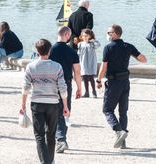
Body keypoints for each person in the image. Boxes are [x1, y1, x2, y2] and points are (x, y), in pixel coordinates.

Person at [96, 24, 147, 149]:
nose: (107, 35)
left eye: (109, 33)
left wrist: (98, 80)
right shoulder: (128, 46)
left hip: (113, 82)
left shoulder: (108, 48)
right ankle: (123, 142)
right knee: (123, 112)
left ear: (115, 34)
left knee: (107, 110)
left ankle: (119, 131)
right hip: (125, 82)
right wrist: (132, 55)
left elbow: (104, 66)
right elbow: (144, 60)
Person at [21, 39, 69, 164]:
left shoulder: (31, 66)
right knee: (51, 134)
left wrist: (23, 105)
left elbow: (25, 88)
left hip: (37, 103)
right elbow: (62, 88)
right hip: (53, 103)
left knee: (39, 135)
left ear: (36, 51)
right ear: (50, 50)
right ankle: (50, 161)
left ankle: (46, 162)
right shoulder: (57, 66)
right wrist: (65, 105)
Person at [48, 26, 82, 154]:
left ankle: (55, 139)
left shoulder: (50, 50)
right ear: (67, 35)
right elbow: (77, 72)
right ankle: (61, 139)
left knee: (50, 111)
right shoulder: (71, 51)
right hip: (66, 84)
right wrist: (79, 88)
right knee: (64, 111)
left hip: (50, 83)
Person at [78, 29, 100, 98]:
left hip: (90, 62)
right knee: (84, 77)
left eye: (86, 36)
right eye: (83, 36)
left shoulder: (92, 43)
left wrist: (93, 40)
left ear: (90, 36)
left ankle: (94, 91)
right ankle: (86, 92)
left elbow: (98, 45)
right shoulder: (80, 44)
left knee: (91, 77)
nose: (85, 37)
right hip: (83, 62)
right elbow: (78, 53)